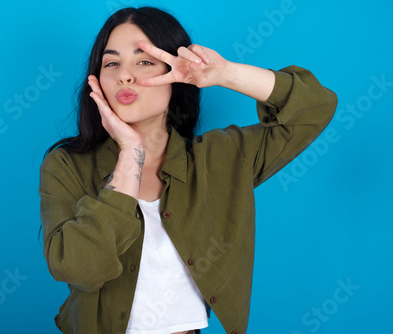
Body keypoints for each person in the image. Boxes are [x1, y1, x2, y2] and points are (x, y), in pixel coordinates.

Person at [39, 6, 337, 334]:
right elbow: (79, 268)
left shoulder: (223, 157)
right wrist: (130, 157)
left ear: (175, 75)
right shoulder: (66, 164)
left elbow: (316, 107)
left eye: (144, 61)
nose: (125, 75)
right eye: (112, 63)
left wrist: (223, 74)